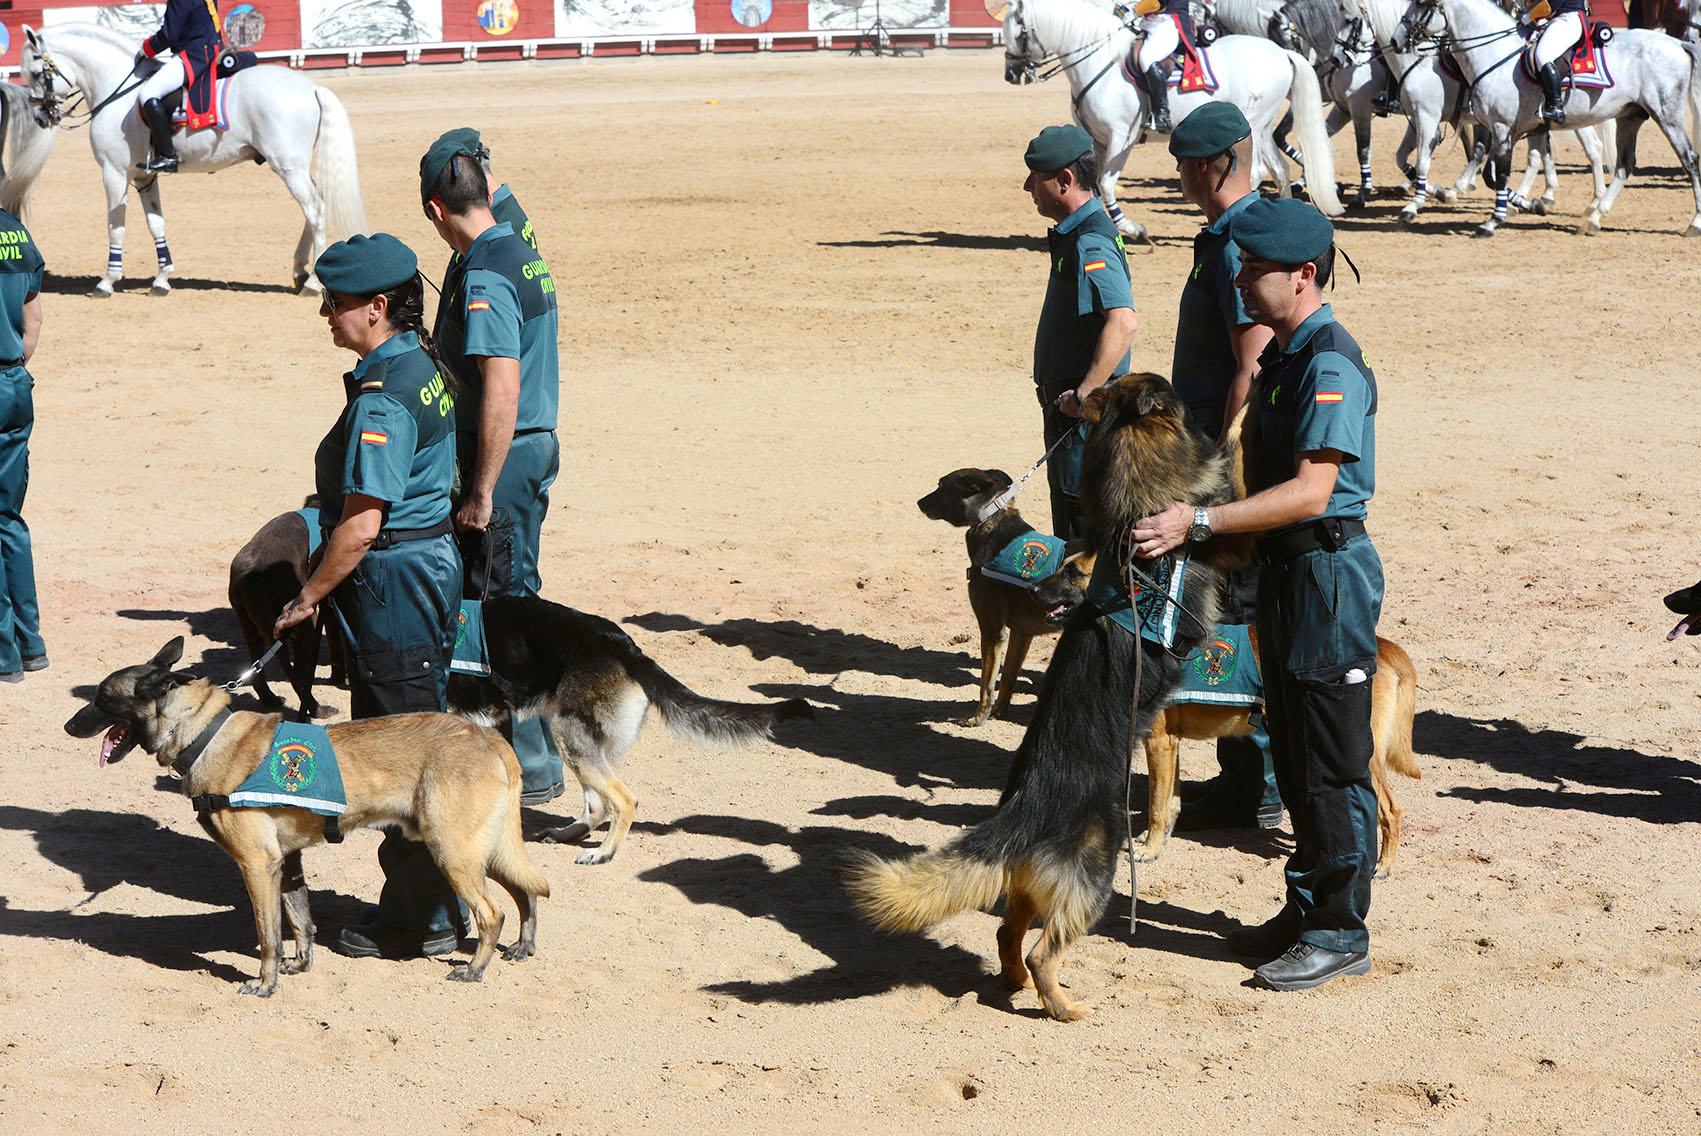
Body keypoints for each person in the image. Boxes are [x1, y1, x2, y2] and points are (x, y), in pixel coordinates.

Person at [1131, 198, 1381, 992]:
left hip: (1325, 577)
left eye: (1253, 269)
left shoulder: (1328, 363)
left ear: (1302, 275)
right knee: (1298, 750)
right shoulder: (1285, 357)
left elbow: (1311, 492)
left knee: (1331, 761)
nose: (1237, 280)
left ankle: (1339, 929)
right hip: (1285, 574)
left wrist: (1197, 522)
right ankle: (1304, 910)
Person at [274, 233, 464, 960]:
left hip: (392, 583)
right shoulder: (419, 362)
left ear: (378, 306)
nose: (326, 312)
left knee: (400, 752)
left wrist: (309, 596)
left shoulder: (383, 398)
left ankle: (423, 921)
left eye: (337, 302)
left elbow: (359, 526)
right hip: (429, 563)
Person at [420, 129, 566, 804]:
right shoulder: (518, 246)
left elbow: (499, 387)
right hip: (533, 444)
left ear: (434, 209)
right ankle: (531, 752)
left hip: (503, 458)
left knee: (502, 610)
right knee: (516, 600)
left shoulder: (483, 270)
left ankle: (532, 766)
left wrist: (479, 490)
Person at [1165, 102, 1283, 833]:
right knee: (1225, 609)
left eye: (1182, 165)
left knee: (1238, 611)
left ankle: (1260, 779)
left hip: (1226, 461)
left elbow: (1249, 363)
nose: (1177, 176)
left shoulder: (1238, 238)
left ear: (1210, 166)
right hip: (1215, 453)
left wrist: (1213, 466)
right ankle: (1240, 772)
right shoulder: (1230, 235)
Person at [1024, 123, 1137, 542]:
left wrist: (1085, 394)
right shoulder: (1081, 233)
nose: (1027, 186)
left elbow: (1122, 322)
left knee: (1081, 529)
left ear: (1065, 179)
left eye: (1036, 177)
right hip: (1075, 414)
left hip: (1082, 419)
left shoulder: (1090, 241)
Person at [0, 207, 45, 683]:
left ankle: (4, 655)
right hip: (14, 381)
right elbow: (32, 320)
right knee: (7, 518)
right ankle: (31, 643)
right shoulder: (14, 230)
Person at [132, 0, 225, 173]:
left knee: (148, 93)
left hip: (193, 55)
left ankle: (168, 156)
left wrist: (147, 48)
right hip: (214, 49)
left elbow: (169, 35)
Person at [1131, 0, 1195, 133]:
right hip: (1150, 21)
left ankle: (1163, 115)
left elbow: (1157, 3)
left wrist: (1134, 10)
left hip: (1168, 22)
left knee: (1147, 58)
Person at [1527, 0, 1588, 124]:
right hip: (1559, 19)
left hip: (1568, 20)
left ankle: (1556, 106)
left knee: (1542, 55)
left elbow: (1551, 5)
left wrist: (1528, 17)